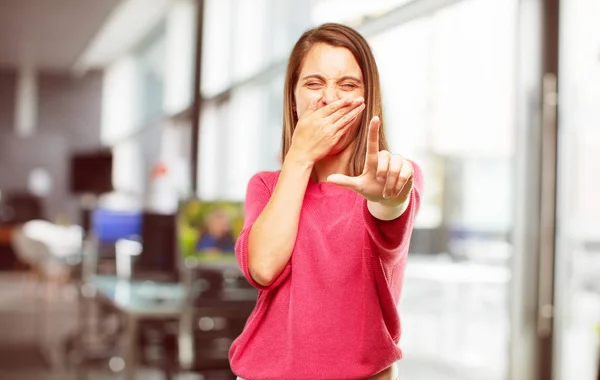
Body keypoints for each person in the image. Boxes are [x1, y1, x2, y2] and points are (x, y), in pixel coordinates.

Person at [229, 23, 423, 380]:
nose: (329, 98)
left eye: (347, 85)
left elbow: (389, 207)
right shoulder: (266, 186)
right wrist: (300, 157)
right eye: (314, 83)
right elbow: (263, 267)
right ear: (294, 98)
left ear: (368, 101)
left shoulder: (390, 178)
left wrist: (390, 197)